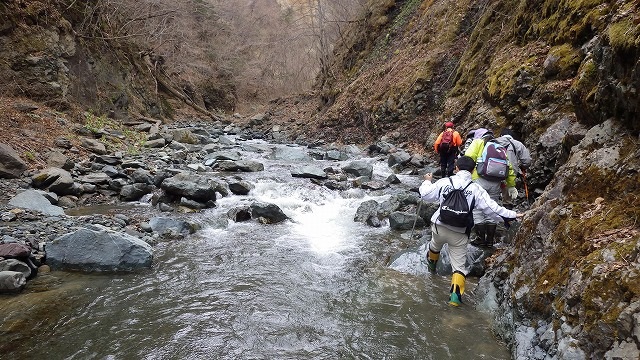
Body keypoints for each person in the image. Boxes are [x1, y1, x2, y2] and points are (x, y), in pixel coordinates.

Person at [419, 156, 523, 306]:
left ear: (456, 168)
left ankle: (432, 269)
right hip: (460, 232)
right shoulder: (476, 189)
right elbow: (493, 210)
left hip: (439, 226)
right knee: (459, 267)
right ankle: (454, 300)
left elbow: (425, 194)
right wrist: (513, 215)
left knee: (434, 245)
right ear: (474, 170)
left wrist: (427, 180)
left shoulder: (445, 182)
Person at [464, 128, 518, 247]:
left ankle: (480, 239)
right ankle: (490, 241)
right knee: (492, 207)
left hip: (479, 179)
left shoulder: (478, 142)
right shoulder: (500, 147)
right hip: (496, 182)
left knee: (478, 208)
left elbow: (468, 157)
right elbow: (508, 168)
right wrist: (511, 186)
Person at [493, 128, 532, 206]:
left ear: (501, 135)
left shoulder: (492, 142)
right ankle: (507, 207)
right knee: (507, 194)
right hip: (509, 173)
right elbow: (527, 161)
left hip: (492, 171)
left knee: (491, 197)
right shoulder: (517, 144)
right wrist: (521, 166)